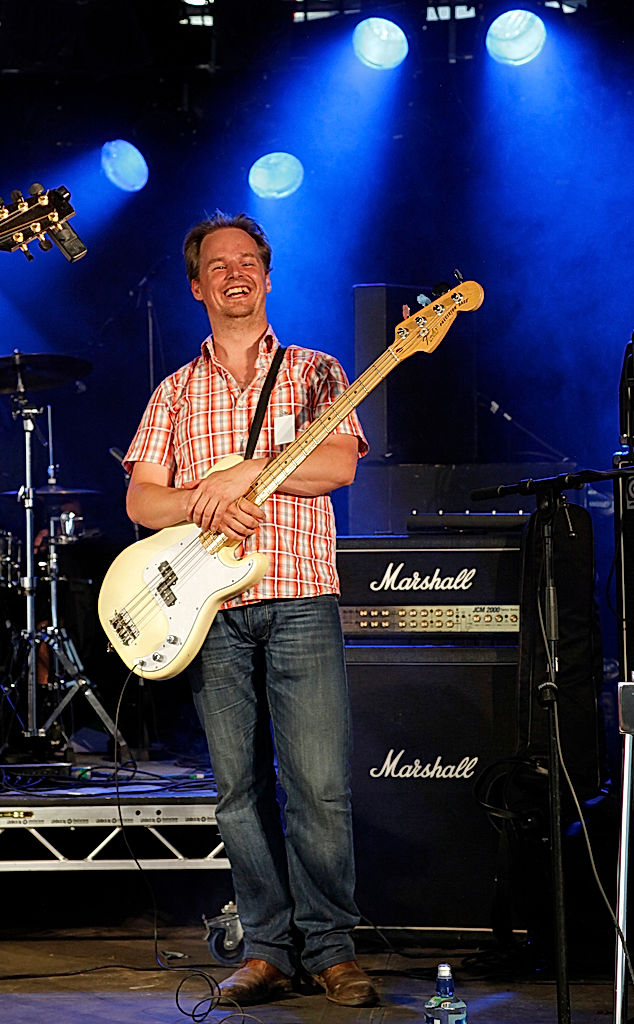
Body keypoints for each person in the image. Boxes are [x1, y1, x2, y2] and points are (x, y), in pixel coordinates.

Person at [122, 212, 377, 1008]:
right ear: (196, 287)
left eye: (247, 261)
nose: (234, 273)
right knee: (237, 791)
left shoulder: (316, 371)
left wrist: (249, 471)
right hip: (209, 609)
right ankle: (267, 949)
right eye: (217, 265)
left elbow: (338, 463)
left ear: (266, 277)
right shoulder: (174, 390)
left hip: (298, 591)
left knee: (318, 786)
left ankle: (330, 949)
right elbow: (142, 499)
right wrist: (205, 496)